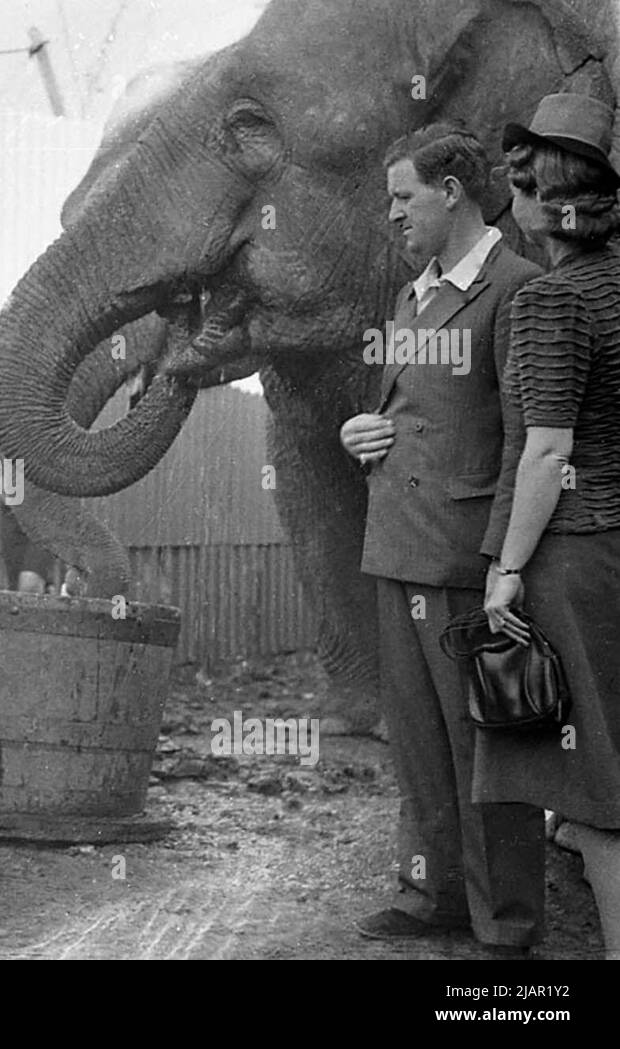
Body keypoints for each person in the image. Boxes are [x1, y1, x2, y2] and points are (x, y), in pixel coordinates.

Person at [339, 122, 545, 951]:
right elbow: (409, 413)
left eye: (403, 196)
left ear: (452, 191)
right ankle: (432, 899)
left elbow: (532, 440)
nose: (392, 215)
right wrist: (360, 434)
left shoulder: (519, 288)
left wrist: (505, 561)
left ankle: (506, 925)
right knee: (420, 744)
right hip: (396, 548)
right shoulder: (410, 294)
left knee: (486, 749)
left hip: (468, 561)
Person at [479, 92, 620, 960]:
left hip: (571, 558)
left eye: (519, 193)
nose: (513, 213)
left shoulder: (547, 301)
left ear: (544, 201)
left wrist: (506, 569)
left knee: (593, 792)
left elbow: (546, 453)